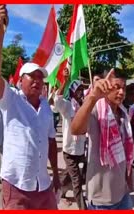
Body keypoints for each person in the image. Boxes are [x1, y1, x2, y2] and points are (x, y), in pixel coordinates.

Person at [0, 5, 60, 210]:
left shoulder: (46, 107)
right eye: (32, 76)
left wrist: (55, 172)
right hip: (16, 188)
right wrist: (1, 32)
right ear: (20, 81)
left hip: (43, 186)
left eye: (40, 78)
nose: (37, 81)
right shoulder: (11, 100)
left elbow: (51, 142)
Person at [71, 69, 134, 210]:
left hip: (122, 194)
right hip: (101, 199)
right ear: (106, 87)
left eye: (124, 88)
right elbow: (75, 130)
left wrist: (127, 180)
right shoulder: (96, 112)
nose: (122, 92)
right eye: (117, 87)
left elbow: (125, 153)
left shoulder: (123, 114)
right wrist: (93, 97)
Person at [53, 68, 87, 209]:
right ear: (72, 92)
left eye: (82, 90)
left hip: (81, 150)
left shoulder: (83, 106)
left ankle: (58, 189)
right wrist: (65, 81)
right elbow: (56, 100)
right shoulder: (67, 106)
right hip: (69, 150)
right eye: (78, 90)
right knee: (77, 181)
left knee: (76, 174)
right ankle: (83, 208)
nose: (80, 92)